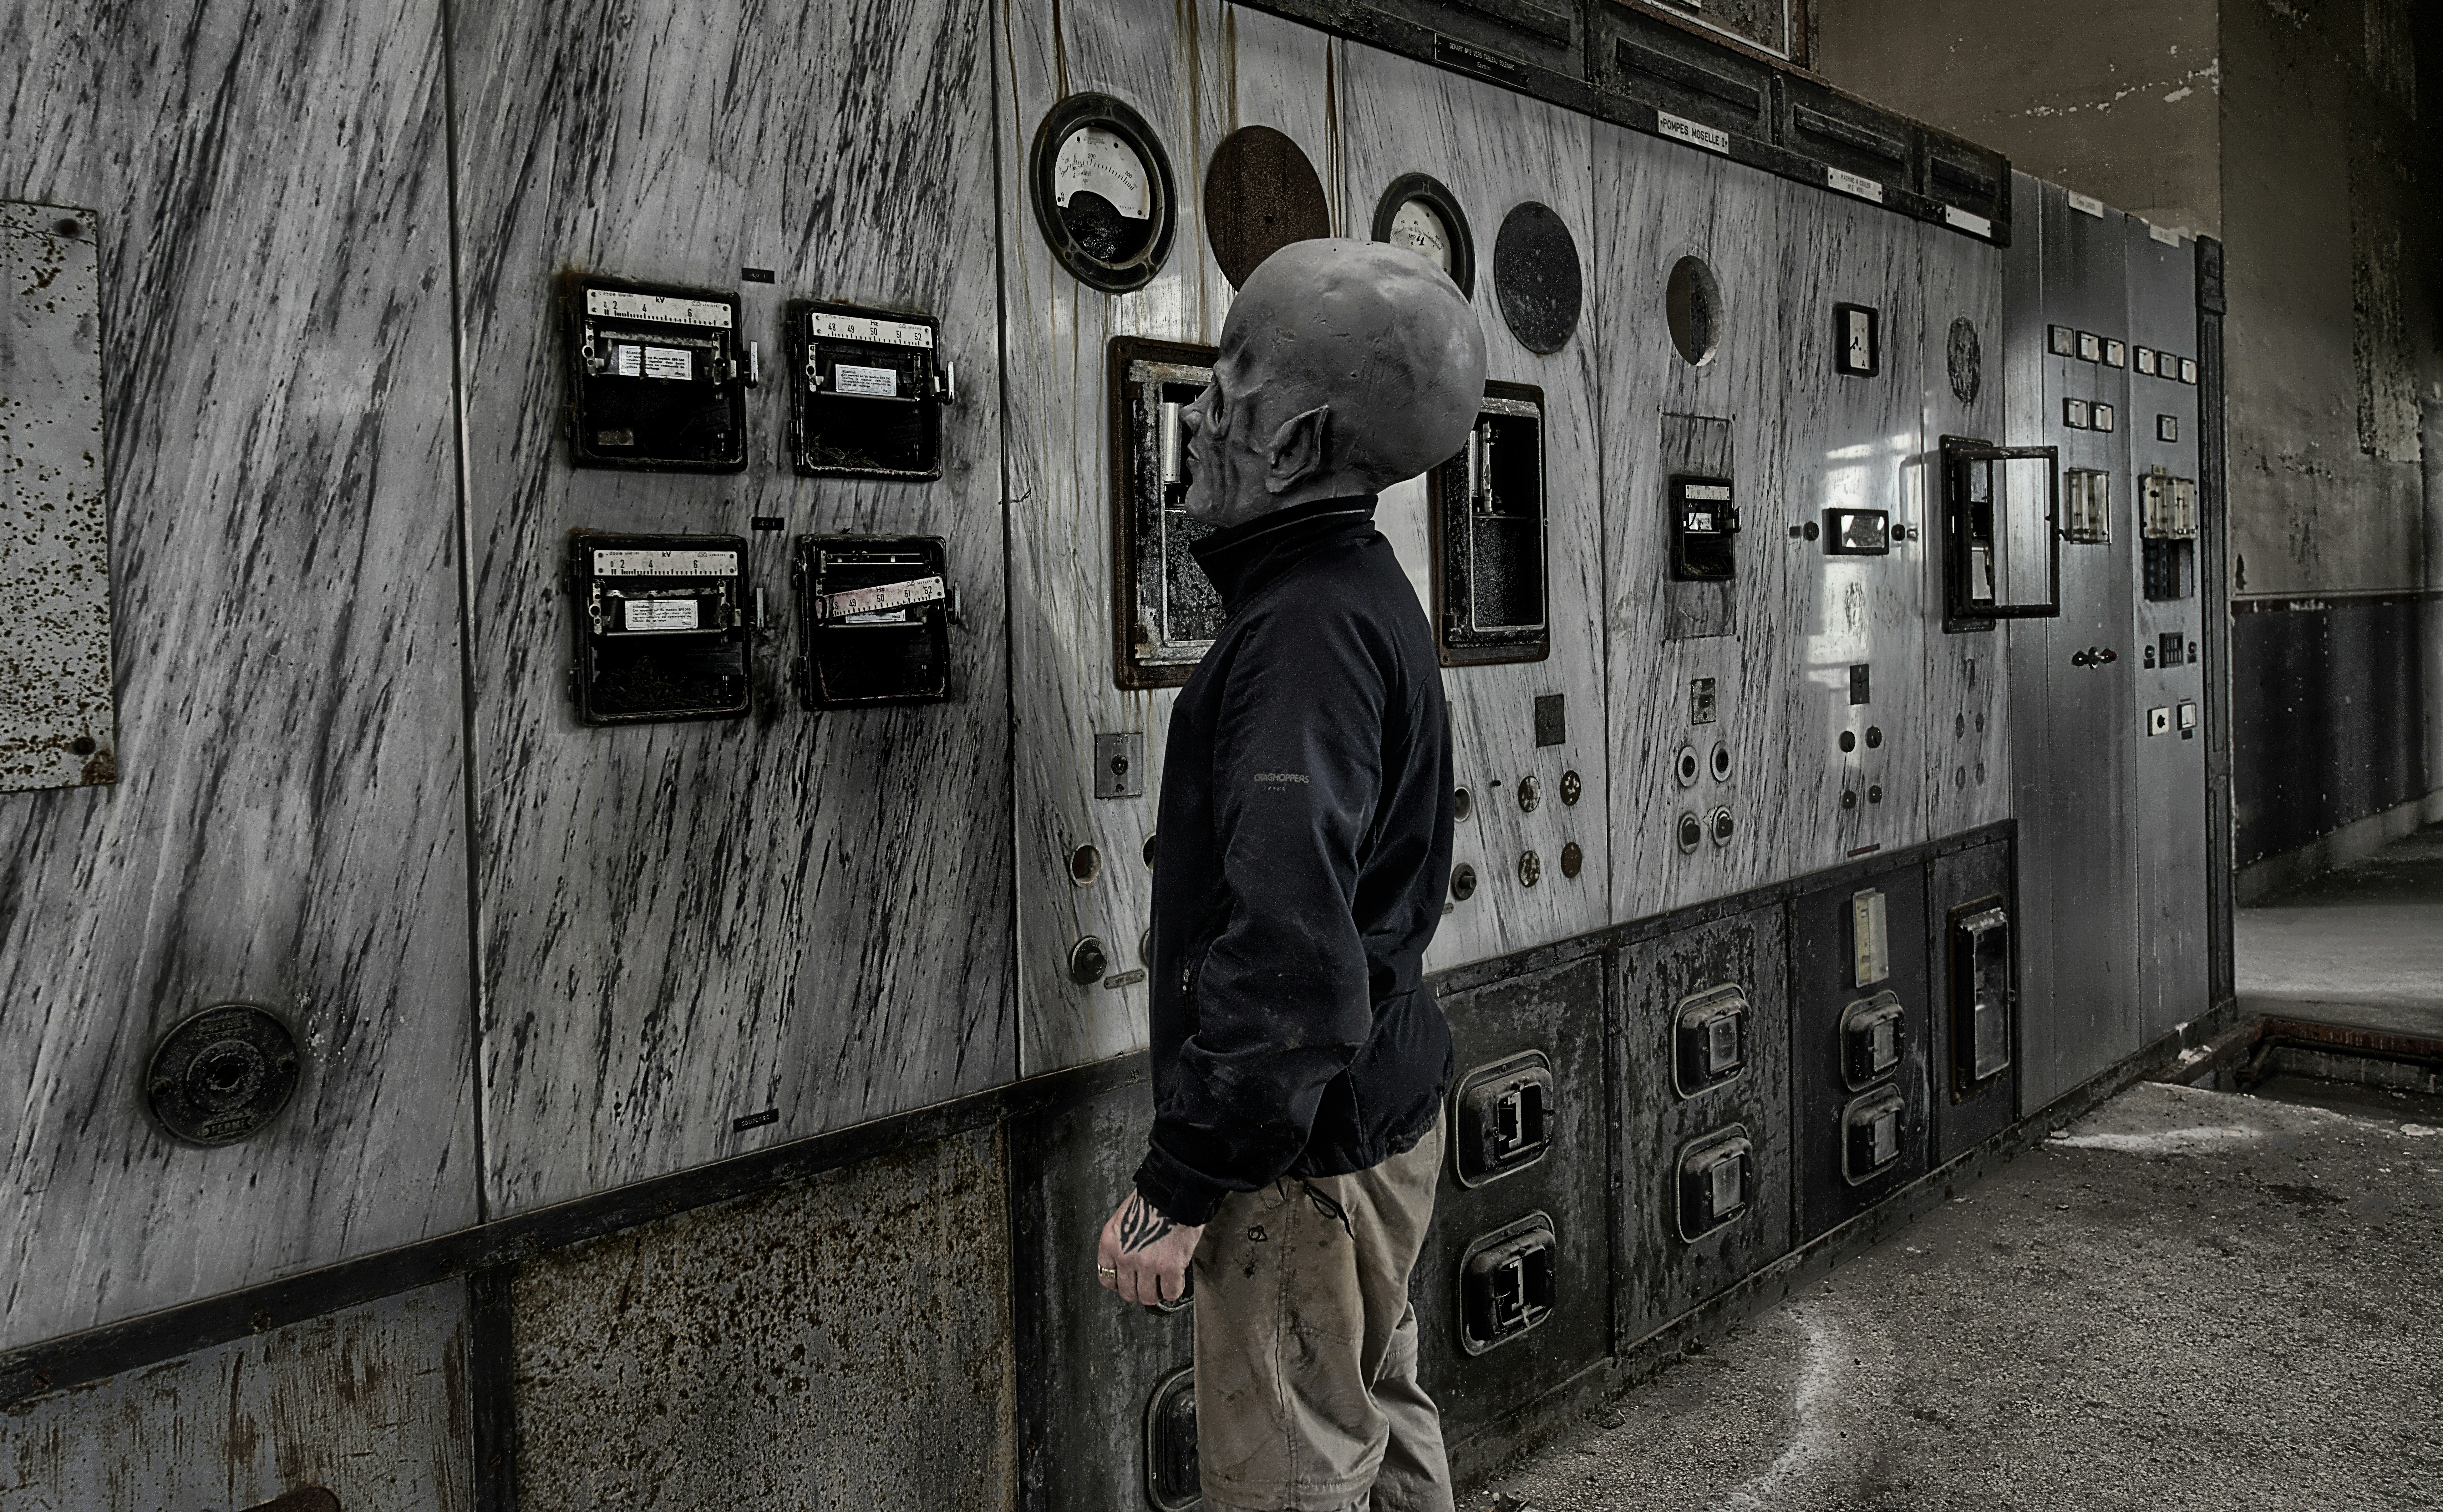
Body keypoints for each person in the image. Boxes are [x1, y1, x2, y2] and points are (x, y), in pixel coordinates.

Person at [1093, 237, 1488, 1512]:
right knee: (1376, 1407)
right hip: (1376, 1108)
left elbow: (1288, 964)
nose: (1200, 413)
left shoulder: (1300, 635)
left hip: (1302, 1156)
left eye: (1234, 383)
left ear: (1306, 442)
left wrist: (1179, 1184)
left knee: (1294, 1475)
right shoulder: (1360, 592)